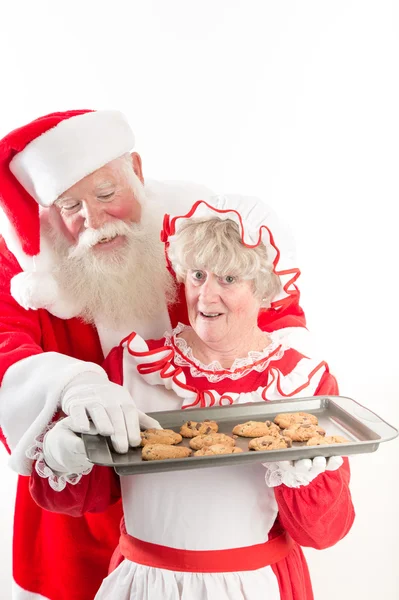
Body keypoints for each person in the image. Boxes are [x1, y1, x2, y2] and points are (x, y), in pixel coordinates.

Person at [0, 111, 305, 600]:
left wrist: (294, 377)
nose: (93, 222)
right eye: (70, 205)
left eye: (105, 195)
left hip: (221, 512)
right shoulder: (25, 261)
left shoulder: (199, 220)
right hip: (80, 513)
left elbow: (268, 299)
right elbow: (4, 345)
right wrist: (69, 389)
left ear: (137, 171)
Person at [29, 195, 355, 600]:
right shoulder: (131, 366)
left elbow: (324, 532)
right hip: (145, 587)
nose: (207, 296)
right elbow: (88, 498)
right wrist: (65, 454)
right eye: (198, 275)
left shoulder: (302, 383)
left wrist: (303, 474)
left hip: (255, 587)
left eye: (229, 279)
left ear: (264, 286)